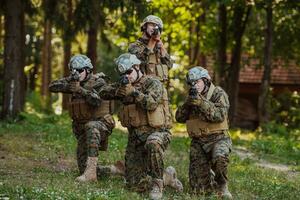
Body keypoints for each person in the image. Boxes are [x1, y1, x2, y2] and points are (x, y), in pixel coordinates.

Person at [99, 53, 182, 200]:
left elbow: (151, 103)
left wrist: (134, 93)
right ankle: (168, 177)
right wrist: (119, 90)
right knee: (135, 185)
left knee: (153, 144)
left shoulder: (152, 83)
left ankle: (158, 183)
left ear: (137, 67)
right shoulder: (125, 86)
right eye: (124, 74)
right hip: (136, 139)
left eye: (129, 72)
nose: (127, 76)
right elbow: (102, 92)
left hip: (158, 133)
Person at [49, 54, 115, 182]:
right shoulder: (74, 82)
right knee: (83, 169)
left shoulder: (99, 82)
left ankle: (91, 174)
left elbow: (96, 101)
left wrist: (80, 90)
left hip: (100, 125)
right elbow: (52, 86)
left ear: (88, 70)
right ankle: (114, 169)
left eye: (79, 70)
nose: (77, 73)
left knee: (91, 126)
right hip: (83, 131)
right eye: (73, 70)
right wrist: (70, 80)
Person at [175, 66, 232, 199]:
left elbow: (219, 116)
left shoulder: (218, 94)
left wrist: (201, 103)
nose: (194, 85)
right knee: (198, 190)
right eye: (192, 83)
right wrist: (188, 104)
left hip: (219, 138)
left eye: (197, 82)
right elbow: (179, 118)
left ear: (206, 80)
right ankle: (209, 176)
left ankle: (222, 185)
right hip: (199, 142)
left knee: (219, 157)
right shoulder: (192, 96)